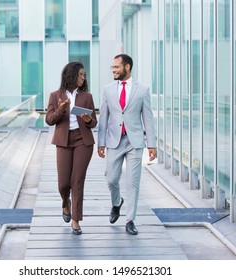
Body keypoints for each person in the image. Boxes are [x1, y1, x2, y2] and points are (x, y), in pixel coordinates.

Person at [97, 54, 157, 235]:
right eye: (112, 68)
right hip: (114, 140)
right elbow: (104, 117)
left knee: (133, 182)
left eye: (116, 67)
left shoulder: (142, 90)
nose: (113, 70)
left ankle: (130, 220)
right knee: (111, 178)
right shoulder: (108, 90)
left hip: (135, 141)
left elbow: (148, 118)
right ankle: (116, 203)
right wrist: (100, 143)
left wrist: (151, 144)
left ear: (127, 67)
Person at [45, 62, 97, 235]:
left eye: (84, 75)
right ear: (71, 75)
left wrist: (88, 120)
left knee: (77, 181)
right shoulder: (55, 96)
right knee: (63, 183)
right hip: (63, 141)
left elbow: (94, 121)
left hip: (83, 140)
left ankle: (76, 220)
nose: (83, 78)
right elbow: (50, 120)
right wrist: (60, 110)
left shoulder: (87, 97)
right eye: (81, 74)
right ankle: (65, 203)